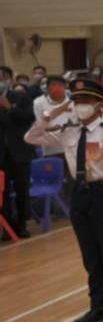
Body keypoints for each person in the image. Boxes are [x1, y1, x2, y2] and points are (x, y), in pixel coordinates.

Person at [24, 78, 103, 322]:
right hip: (78, 195)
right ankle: (97, 304)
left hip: (102, 193)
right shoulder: (67, 131)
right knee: (89, 253)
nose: (82, 106)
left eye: (87, 101)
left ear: (98, 104)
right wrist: (55, 112)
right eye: (78, 101)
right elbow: (31, 136)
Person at [0, 65, 36, 239]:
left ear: (8, 79)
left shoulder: (20, 96)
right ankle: (8, 226)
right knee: (3, 193)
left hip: (19, 152)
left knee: (22, 190)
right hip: (1, 155)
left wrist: (10, 108)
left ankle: (22, 224)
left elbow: (28, 117)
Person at [32, 74, 71, 161]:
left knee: (71, 173)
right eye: (53, 84)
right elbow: (39, 125)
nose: (57, 87)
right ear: (48, 87)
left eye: (60, 85)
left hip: (70, 145)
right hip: (51, 146)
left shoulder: (72, 101)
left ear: (65, 87)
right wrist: (50, 128)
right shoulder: (39, 103)